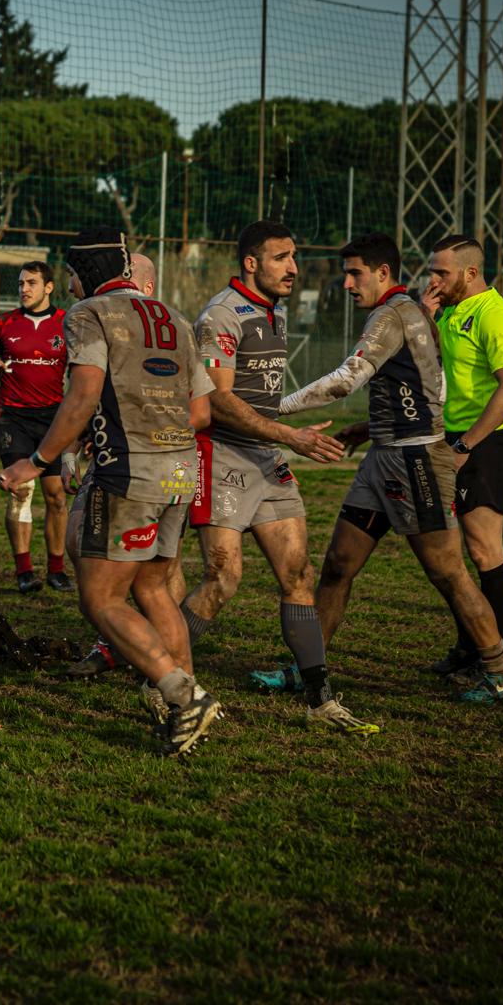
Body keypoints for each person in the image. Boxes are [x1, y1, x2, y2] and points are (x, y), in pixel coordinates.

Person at [276, 233, 503, 710]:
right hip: (383, 458)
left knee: (449, 573)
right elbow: (428, 387)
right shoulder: (415, 313)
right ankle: (307, 667)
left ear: (382, 273)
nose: (347, 284)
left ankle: (502, 670)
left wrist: (273, 409)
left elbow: (346, 379)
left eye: (355, 274)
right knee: (338, 564)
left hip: (415, 463)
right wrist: (374, 429)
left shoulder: (393, 314)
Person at [0, 229, 220, 756]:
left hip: (128, 472)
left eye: (71, 275)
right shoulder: (173, 317)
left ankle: (184, 695)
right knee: (153, 588)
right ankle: (181, 700)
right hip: (180, 469)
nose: (69, 286)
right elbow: (201, 412)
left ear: (87, 272)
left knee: (101, 598)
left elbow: (83, 394)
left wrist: (38, 461)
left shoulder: (89, 313)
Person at [178, 220, 362, 732]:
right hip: (223, 457)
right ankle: (162, 675)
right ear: (251, 263)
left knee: (298, 575)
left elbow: (259, 399)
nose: (294, 268)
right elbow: (216, 401)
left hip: (268, 457)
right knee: (223, 579)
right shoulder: (221, 315)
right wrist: (290, 436)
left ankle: (320, 699)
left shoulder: (273, 312)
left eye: (294, 256)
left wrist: (285, 432)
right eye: (282, 258)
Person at [422, 235, 503, 690]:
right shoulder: (449, 310)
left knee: (484, 550)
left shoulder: (494, 314)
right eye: (432, 271)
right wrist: (426, 319)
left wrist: (465, 446)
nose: (433, 280)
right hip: (452, 439)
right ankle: (470, 647)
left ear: (470, 272)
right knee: (450, 555)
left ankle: (493, 659)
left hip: (488, 442)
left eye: (441, 272)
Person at [0, 260, 73, 594]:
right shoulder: (4, 323)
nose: (24, 289)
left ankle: (56, 569)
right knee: (20, 490)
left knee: (56, 495)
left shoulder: (67, 323)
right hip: (13, 416)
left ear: (49, 287)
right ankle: (23, 571)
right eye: (21, 283)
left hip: (53, 419)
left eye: (31, 283)